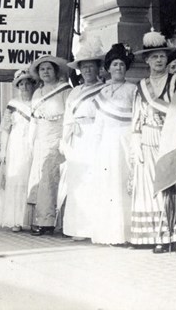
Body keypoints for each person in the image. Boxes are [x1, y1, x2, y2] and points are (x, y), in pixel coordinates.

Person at [130, 31, 176, 255]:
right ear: (147, 60)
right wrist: (136, 143)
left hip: (173, 140)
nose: (159, 60)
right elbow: (136, 120)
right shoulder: (140, 87)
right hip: (149, 140)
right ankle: (161, 235)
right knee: (156, 188)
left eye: (162, 56)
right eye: (154, 57)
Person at [91, 44, 137, 245]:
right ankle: (109, 234)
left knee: (124, 185)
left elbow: (137, 118)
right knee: (108, 187)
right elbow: (98, 122)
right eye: (115, 64)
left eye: (121, 64)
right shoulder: (102, 92)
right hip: (107, 143)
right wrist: (95, 147)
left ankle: (126, 234)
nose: (118, 68)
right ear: (108, 68)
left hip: (125, 139)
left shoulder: (133, 89)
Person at [61, 35, 105, 241]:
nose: (87, 71)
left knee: (94, 181)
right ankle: (78, 228)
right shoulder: (74, 92)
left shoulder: (105, 89)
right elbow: (68, 119)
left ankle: (95, 228)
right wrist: (65, 141)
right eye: (84, 67)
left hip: (96, 136)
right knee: (77, 183)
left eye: (91, 67)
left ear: (98, 68)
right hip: (78, 139)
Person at [26, 55, 72, 236]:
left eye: (49, 69)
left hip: (57, 137)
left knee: (53, 179)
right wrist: (31, 141)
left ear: (55, 71)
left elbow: (69, 116)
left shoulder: (65, 90)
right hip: (41, 139)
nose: (45, 72)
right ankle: (42, 220)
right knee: (40, 179)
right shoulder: (37, 93)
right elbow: (34, 120)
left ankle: (55, 221)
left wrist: (65, 140)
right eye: (42, 69)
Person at [0, 69, 36, 232]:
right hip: (16, 145)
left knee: (31, 180)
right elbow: (5, 129)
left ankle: (31, 219)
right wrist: (3, 151)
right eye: (21, 83)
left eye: (28, 83)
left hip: (33, 143)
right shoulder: (12, 104)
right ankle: (16, 220)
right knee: (16, 180)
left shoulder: (38, 101)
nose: (25, 86)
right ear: (17, 86)